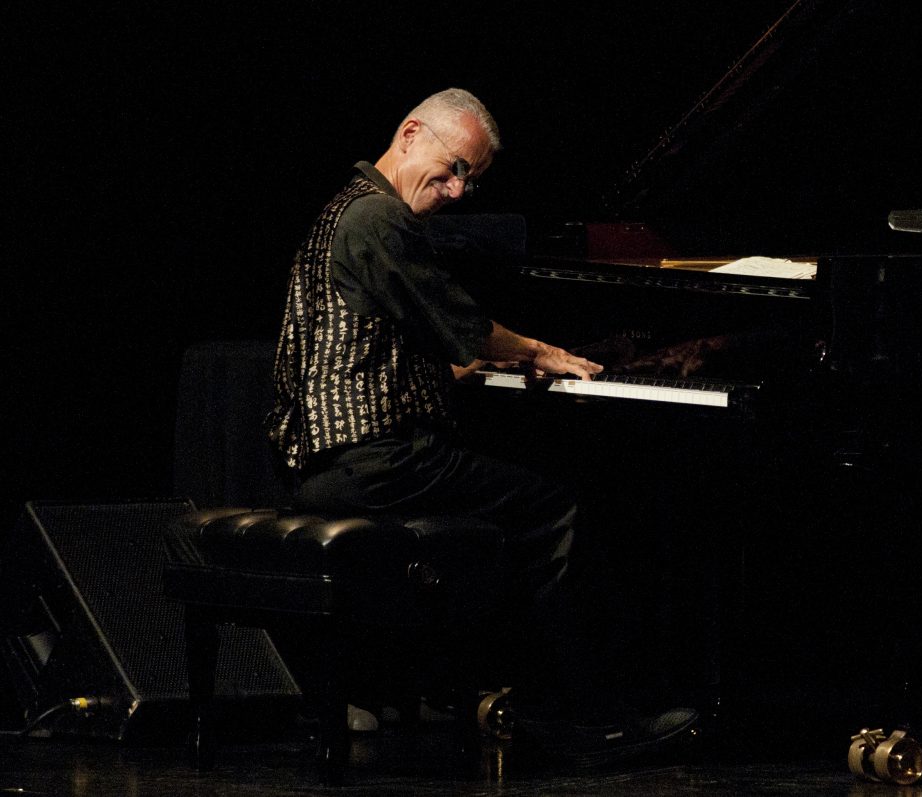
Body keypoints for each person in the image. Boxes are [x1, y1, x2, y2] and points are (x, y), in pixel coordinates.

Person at [265, 88, 698, 767]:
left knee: (510, 507)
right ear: (410, 134)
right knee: (554, 508)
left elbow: (361, 346)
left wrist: (455, 372)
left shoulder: (341, 210)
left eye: (471, 178)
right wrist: (536, 349)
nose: (459, 191)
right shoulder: (380, 217)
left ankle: (505, 691)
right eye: (454, 168)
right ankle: (583, 719)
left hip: (321, 462)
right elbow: (463, 323)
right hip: (376, 461)